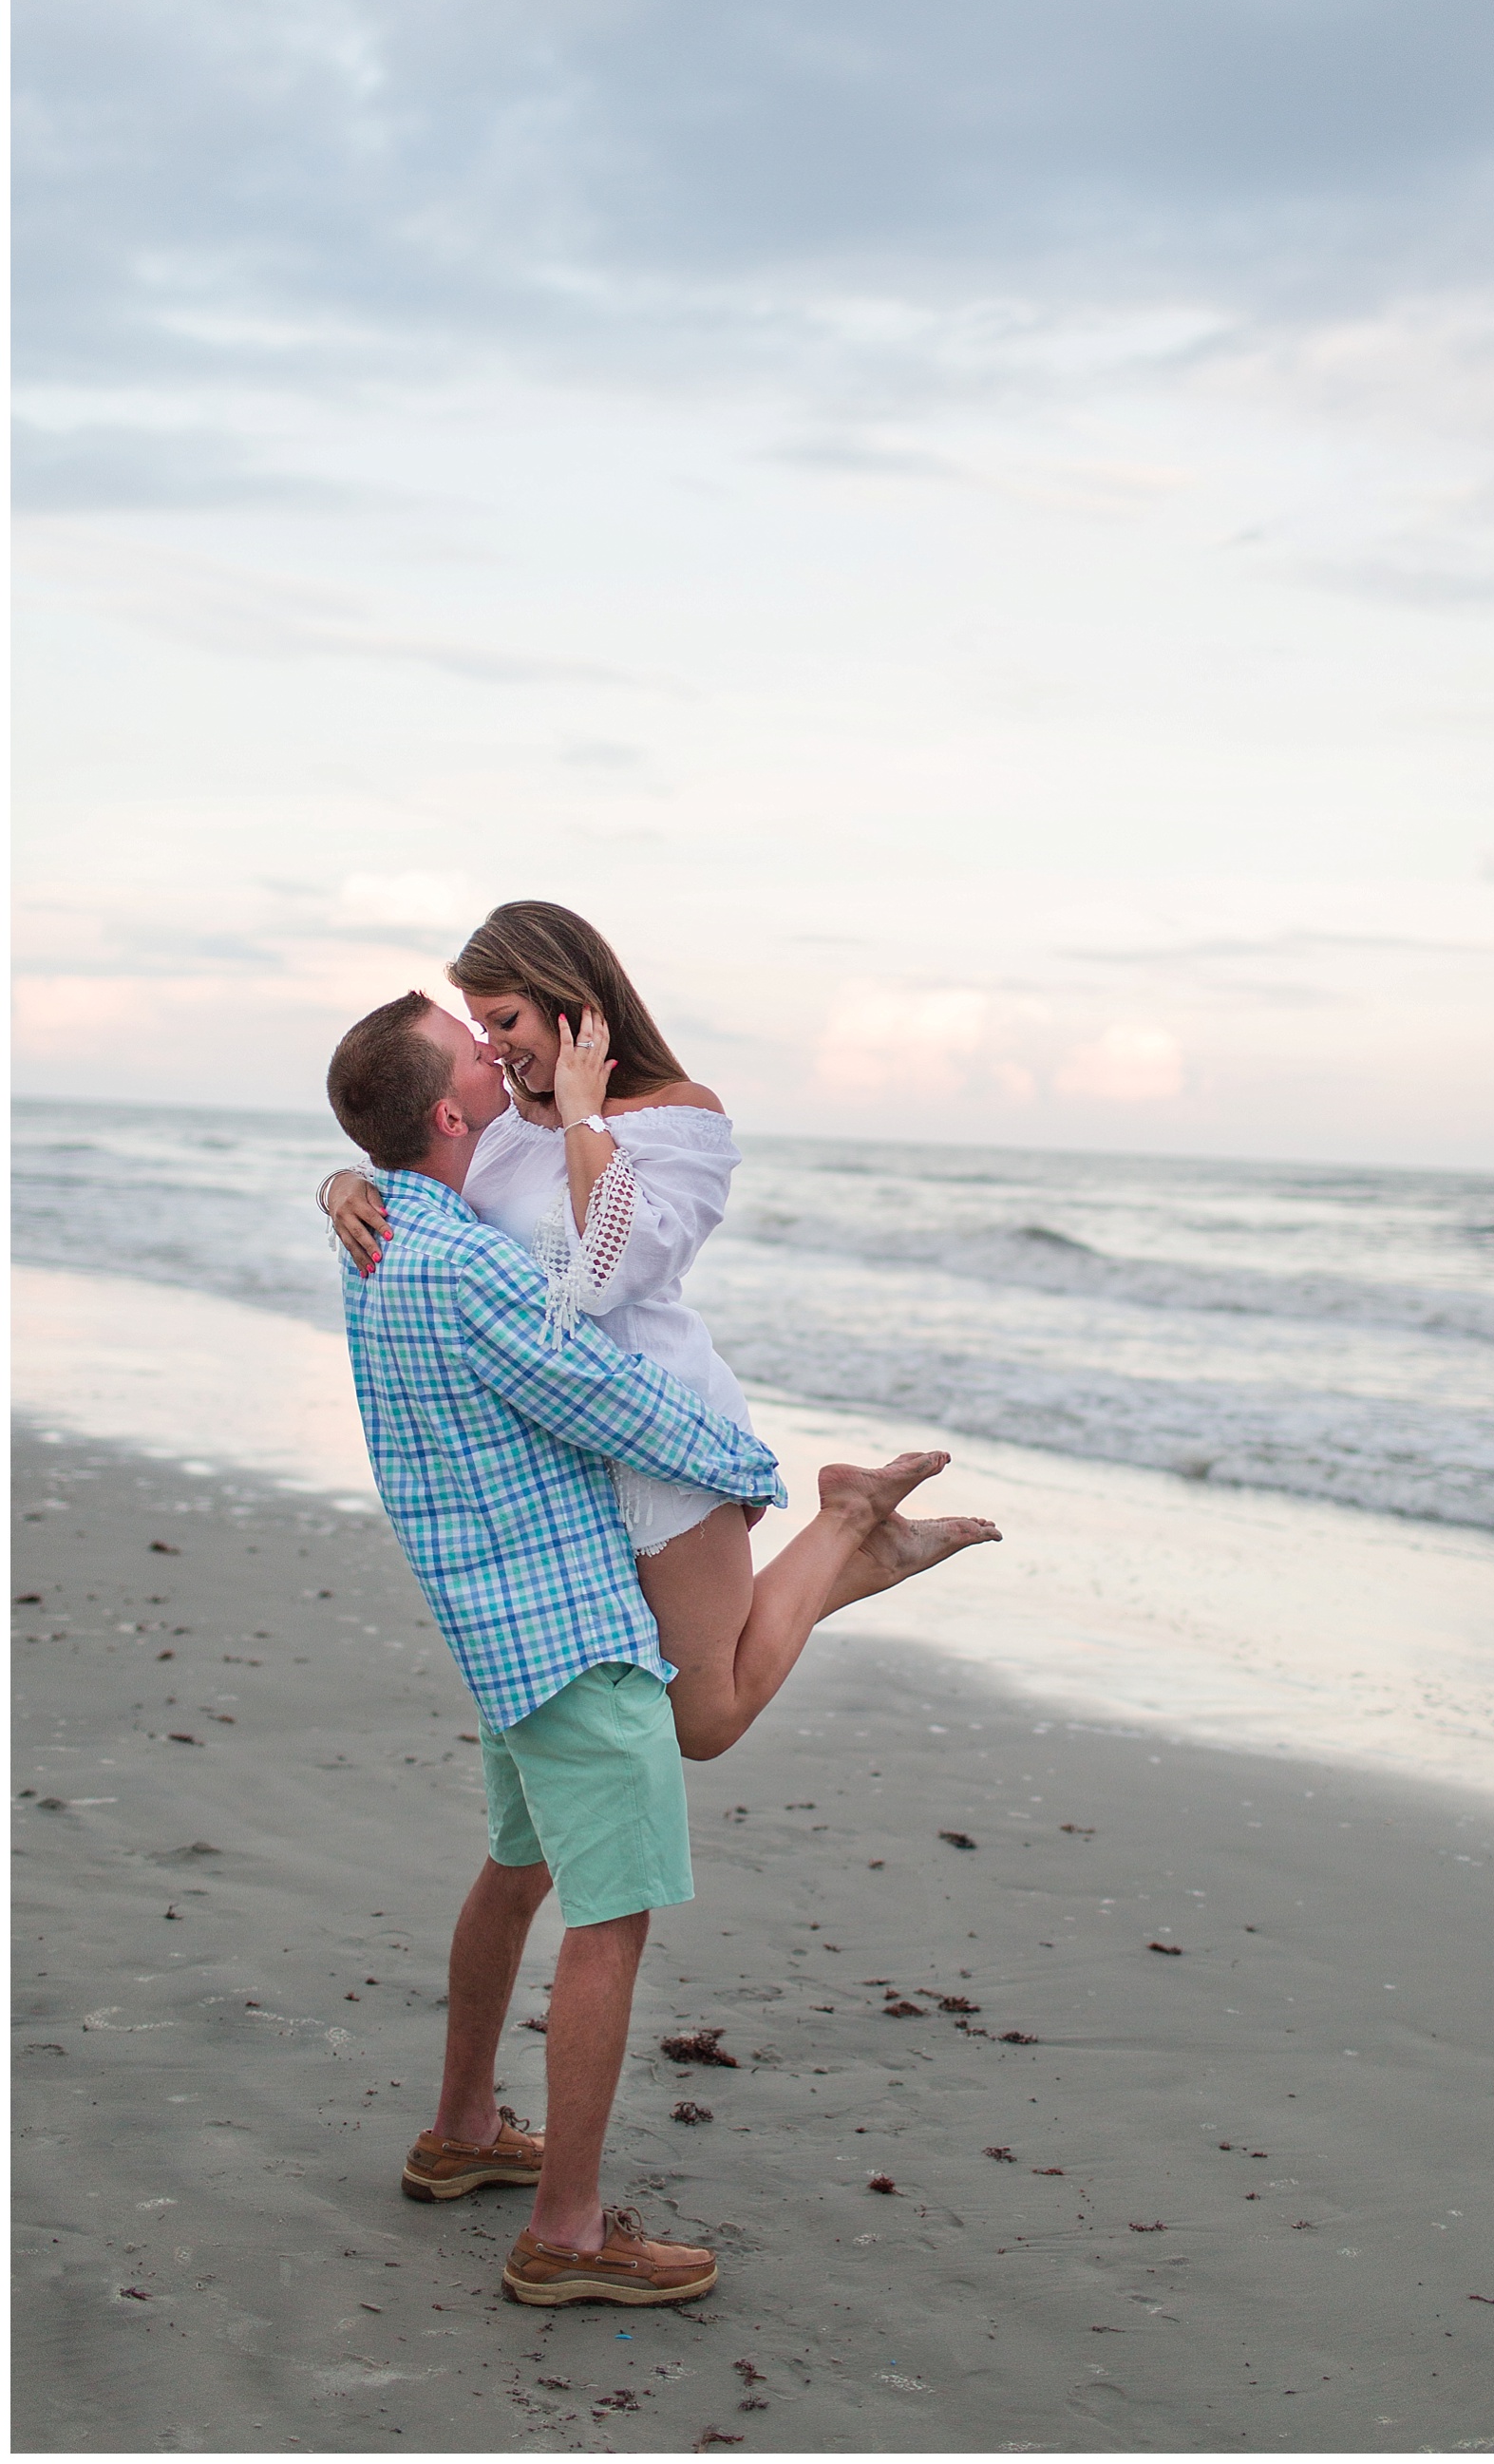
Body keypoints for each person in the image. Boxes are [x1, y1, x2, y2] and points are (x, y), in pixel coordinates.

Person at [325, 987, 977, 2308]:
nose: (491, 1048)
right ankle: (566, 2234)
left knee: (515, 1870)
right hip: (568, 1628)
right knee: (606, 1923)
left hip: (499, 1631)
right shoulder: (458, 1263)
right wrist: (746, 1470)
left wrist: (346, 1174)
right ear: (450, 1112)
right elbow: (605, 1395)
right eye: (472, 1049)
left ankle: (460, 2131)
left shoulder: (382, 1242)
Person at [323, 900, 999, 1758]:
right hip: (562, 1451)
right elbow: (430, 1186)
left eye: (504, 1020)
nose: (492, 1047)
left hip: (659, 1436)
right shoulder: (498, 1125)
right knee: (632, 1695)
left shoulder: (680, 1118)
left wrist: (580, 1114)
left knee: (700, 1720)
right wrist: (346, 1182)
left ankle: (844, 1523)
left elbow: (610, 1275)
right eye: (479, 1028)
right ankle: (860, 1543)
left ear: (567, 1001)